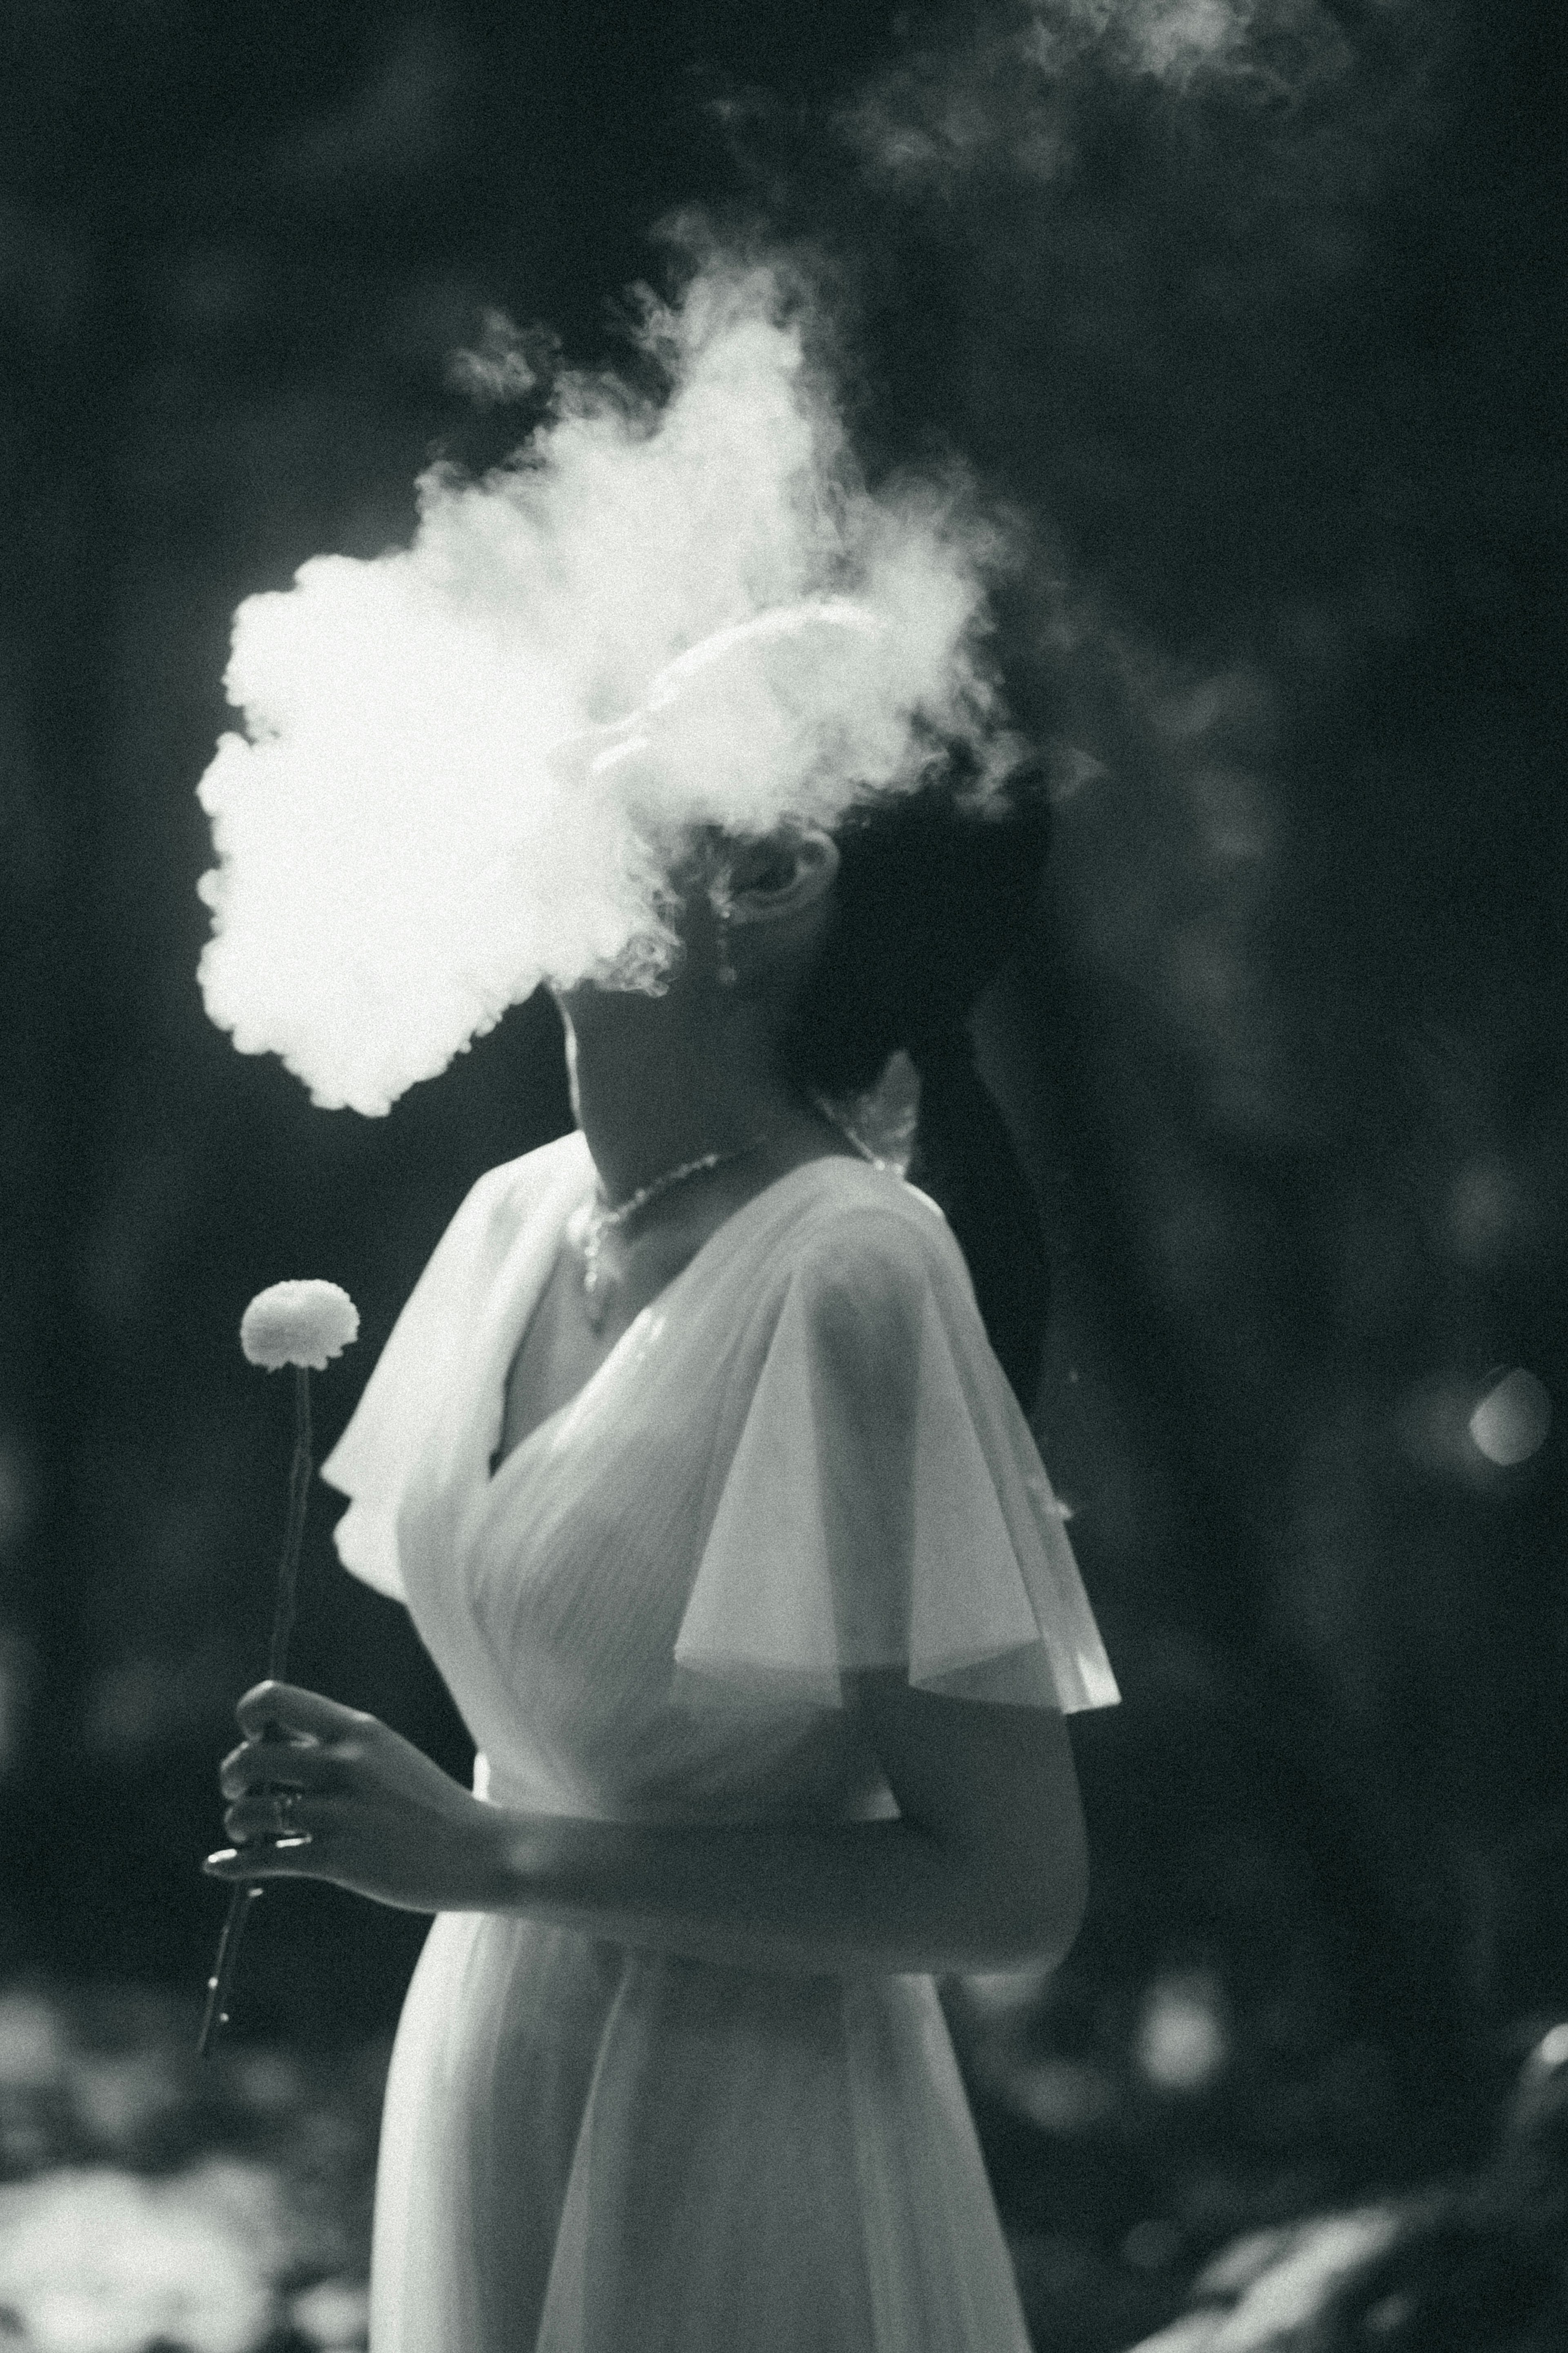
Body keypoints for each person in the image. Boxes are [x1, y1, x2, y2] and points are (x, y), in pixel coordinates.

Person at [205, 739, 1120, 2353]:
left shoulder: (852, 1273)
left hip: (749, 2144)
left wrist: (492, 1861)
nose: (577, 745)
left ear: (768, 886)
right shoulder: (512, 1215)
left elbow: (1011, 1889)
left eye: (646, 730)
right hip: (495, 2069)